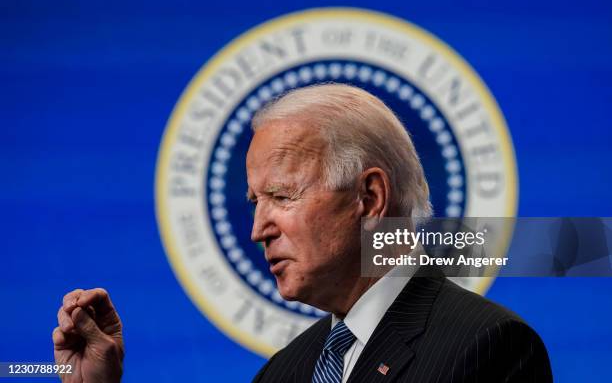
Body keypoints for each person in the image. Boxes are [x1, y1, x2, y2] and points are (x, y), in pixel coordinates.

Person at [54, 83, 552, 382]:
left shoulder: (487, 346)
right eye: (256, 202)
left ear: (369, 198)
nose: (257, 230)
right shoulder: (286, 372)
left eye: (281, 196)